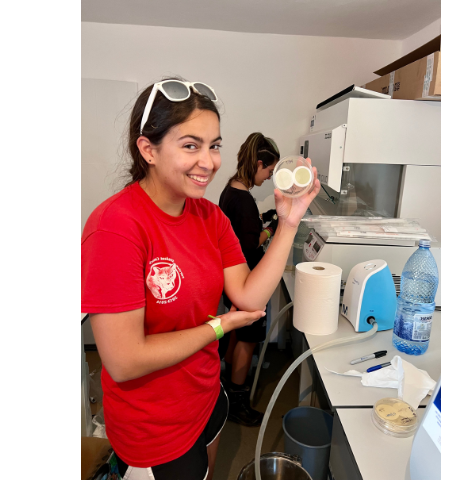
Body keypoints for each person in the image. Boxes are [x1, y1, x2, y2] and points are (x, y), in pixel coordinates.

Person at [81, 77, 320, 480]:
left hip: (208, 397)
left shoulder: (210, 218)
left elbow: (247, 295)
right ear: (148, 149)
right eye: (190, 145)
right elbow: (123, 361)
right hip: (153, 425)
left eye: (214, 145)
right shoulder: (115, 227)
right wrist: (219, 326)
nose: (208, 161)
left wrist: (289, 224)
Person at [218, 132, 280, 427]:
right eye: (269, 170)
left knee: (237, 334)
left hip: (231, 279)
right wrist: (274, 229)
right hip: (246, 279)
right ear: (258, 163)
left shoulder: (231, 190)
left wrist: (261, 220)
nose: (269, 177)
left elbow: (240, 232)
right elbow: (249, 245)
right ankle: (238, 402)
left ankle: (229, 388)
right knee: (248, 339)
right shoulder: (242, 200)